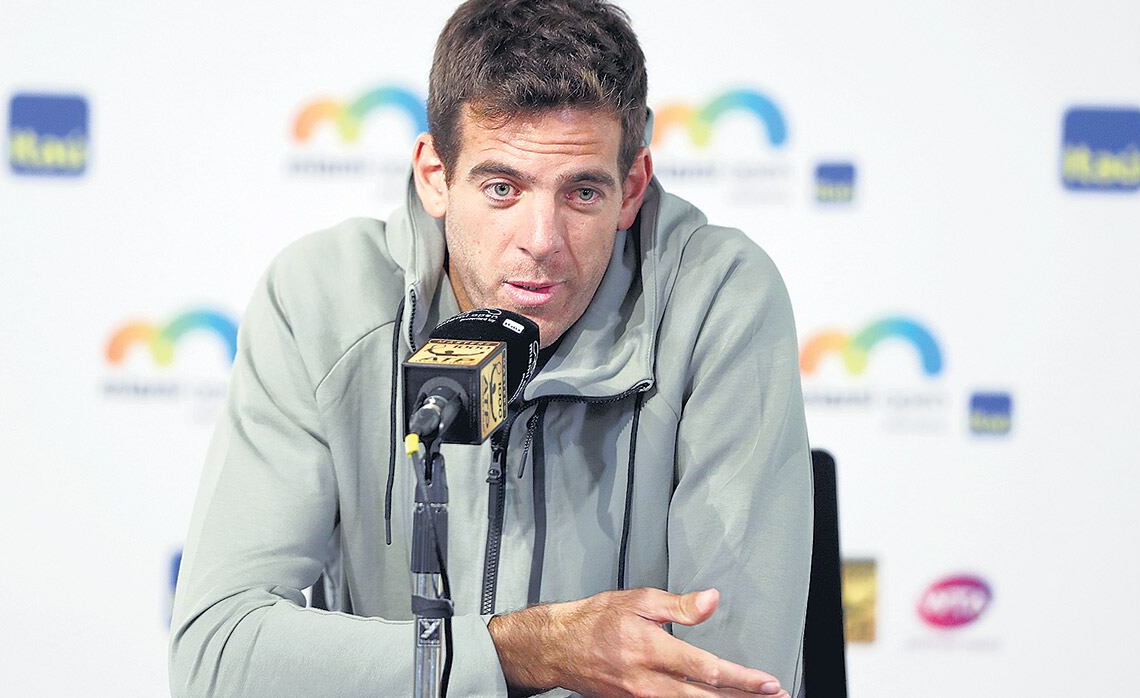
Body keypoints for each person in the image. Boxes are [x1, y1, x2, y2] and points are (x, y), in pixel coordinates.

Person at [169, 1, 812, 696]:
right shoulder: (322, 298)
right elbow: (218, 656)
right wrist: (521, 653)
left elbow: (731, 681)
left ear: (631, 189)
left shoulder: (719, 297)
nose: (541, 239)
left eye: (582, 192)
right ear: (433, 175)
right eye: (502, 187)